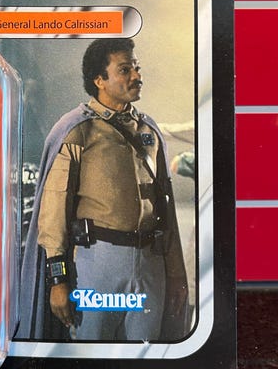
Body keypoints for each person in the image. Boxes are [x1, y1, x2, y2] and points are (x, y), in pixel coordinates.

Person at [18, 38, 188, 341]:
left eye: (136, 67)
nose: (136, 76)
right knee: (92, 352)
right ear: (99, 80)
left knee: (145, 355)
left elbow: (167, 208)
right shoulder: (77, 130)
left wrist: (175, 273)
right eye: (125, 70)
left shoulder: (148, 130)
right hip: (96, 263)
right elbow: (54, 210)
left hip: (150, 263)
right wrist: (58, 281)